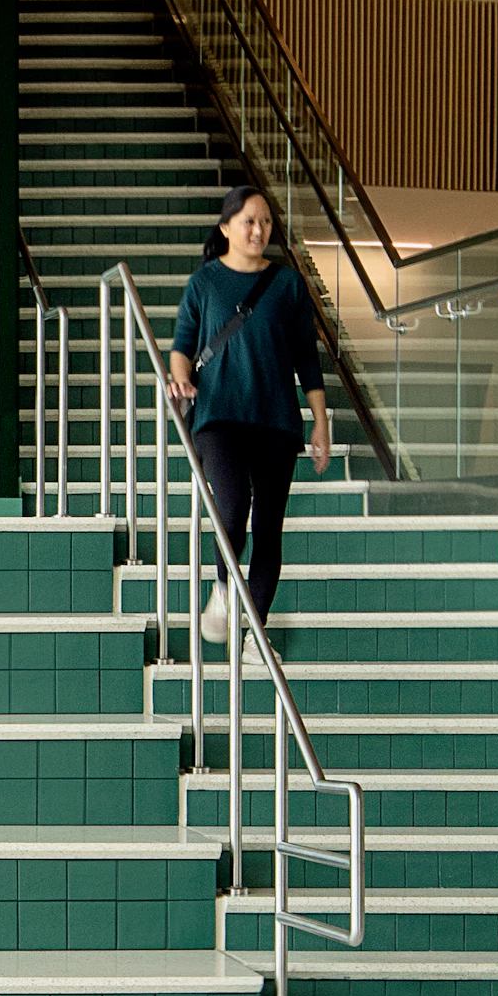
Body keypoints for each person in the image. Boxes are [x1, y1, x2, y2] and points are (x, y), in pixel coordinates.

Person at [168, 183, 333, 648]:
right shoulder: (205, 282)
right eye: (248, 221)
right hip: (219, 415)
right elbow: (183, 347)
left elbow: (306, 358)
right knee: (234, 504)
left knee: (268, 530)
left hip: (276, 421)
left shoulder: (287, 284)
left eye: (265, 222)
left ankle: (255, 635)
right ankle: (223, 588)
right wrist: (179, 380)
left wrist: (319, 421)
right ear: (226, 229)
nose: (259, 230)